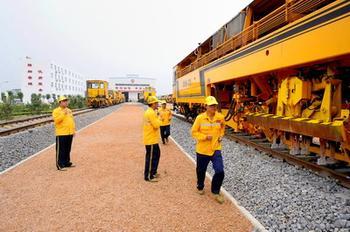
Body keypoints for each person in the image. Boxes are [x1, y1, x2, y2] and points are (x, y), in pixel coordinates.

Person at [191, 96, 226, 204]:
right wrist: (205, 137)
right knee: (201, 170)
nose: (213, 107)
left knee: (220, 171)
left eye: (215, 105)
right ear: (206, 106)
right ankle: (200, 185)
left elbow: (222, 128)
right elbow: (193, 132)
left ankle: (215, 191)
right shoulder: (200, 118)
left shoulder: (220, 117)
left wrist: (221, 135)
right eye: (211, 106)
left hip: (216, 149)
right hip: (203, 150)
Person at [52, 96, 76, 171]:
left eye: (66, 101)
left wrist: (73, 130)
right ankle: (60, 164)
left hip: (69, 133)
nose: (66, 102)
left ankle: (66, 162)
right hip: (61, 133)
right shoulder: (56, 111)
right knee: (61, 150)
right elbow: (56, 121)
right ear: (60, 102)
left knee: (67, 149)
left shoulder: (69, 110)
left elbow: (71, 120)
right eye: (64, 101)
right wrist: (63, 113)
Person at [143, 96, 162, 182]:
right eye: (156, 103)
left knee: (156, 154)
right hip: (150, 139)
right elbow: (156, 125)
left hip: (152, 139)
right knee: (150, 158)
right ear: (153, 104)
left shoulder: (151, 112)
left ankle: (153, 172)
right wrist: (159, 118)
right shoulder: (151, 113)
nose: (158, 104)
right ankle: (148, 176)